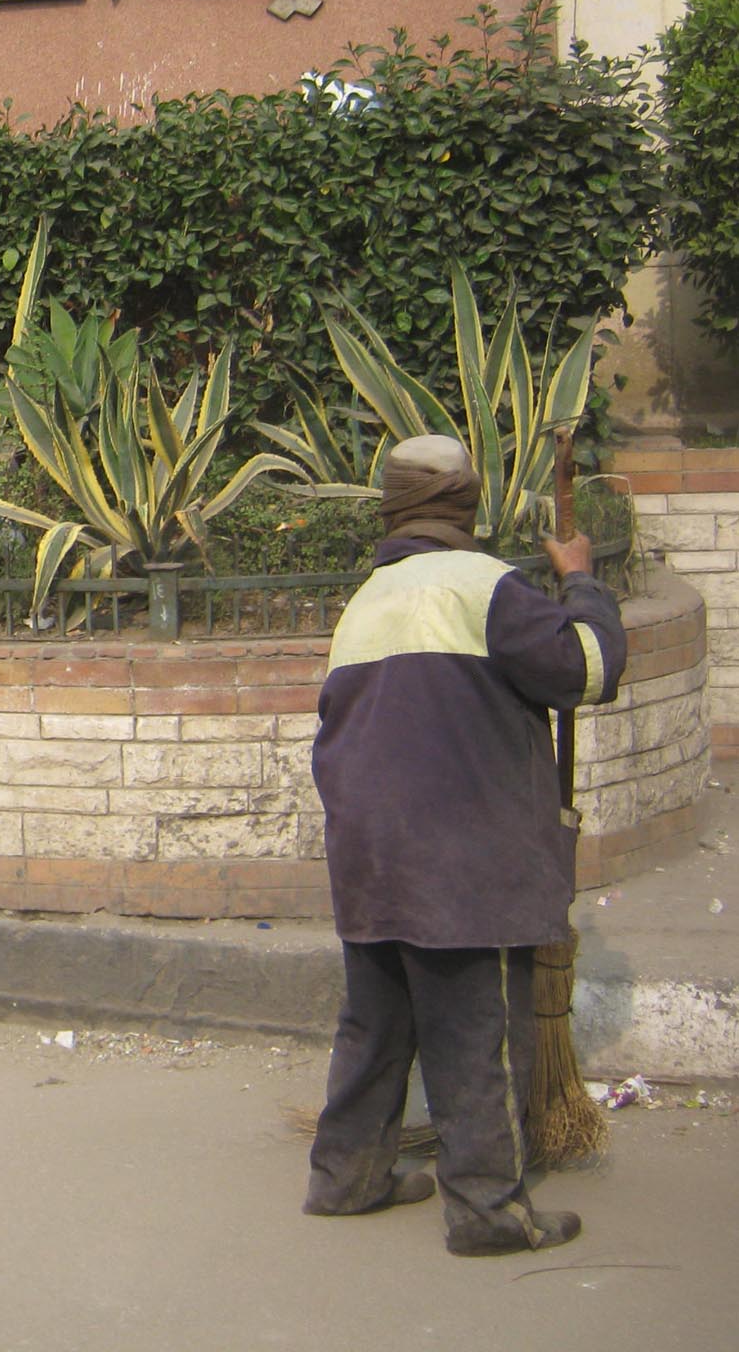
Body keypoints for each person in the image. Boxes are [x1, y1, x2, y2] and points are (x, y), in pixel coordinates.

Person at [302, 435, 626, 1254]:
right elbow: (584, 671)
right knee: (475, 1030)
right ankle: (488, 1212)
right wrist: (581, 579)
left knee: (375, 1026)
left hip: (369, 855)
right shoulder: (486, 588)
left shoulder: (365, 601)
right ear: (466, 504)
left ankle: (347, 1180)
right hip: (462, 857)